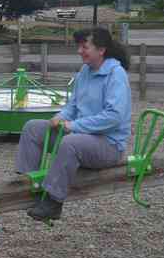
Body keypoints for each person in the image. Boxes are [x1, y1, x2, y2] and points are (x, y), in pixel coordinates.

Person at [16, 27, 131, 221]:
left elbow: (114, 116)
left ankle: (53, 202)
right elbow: (73, 105)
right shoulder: (85, 71)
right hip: (82, 136)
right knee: (33, 128)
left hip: (108, 144)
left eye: (84, 46)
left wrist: (74, 126)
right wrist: (61, 116)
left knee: (70, 143)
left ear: (101, 50)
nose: (79, 51)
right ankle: (29, 186)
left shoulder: (116, 75)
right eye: (79, 46)